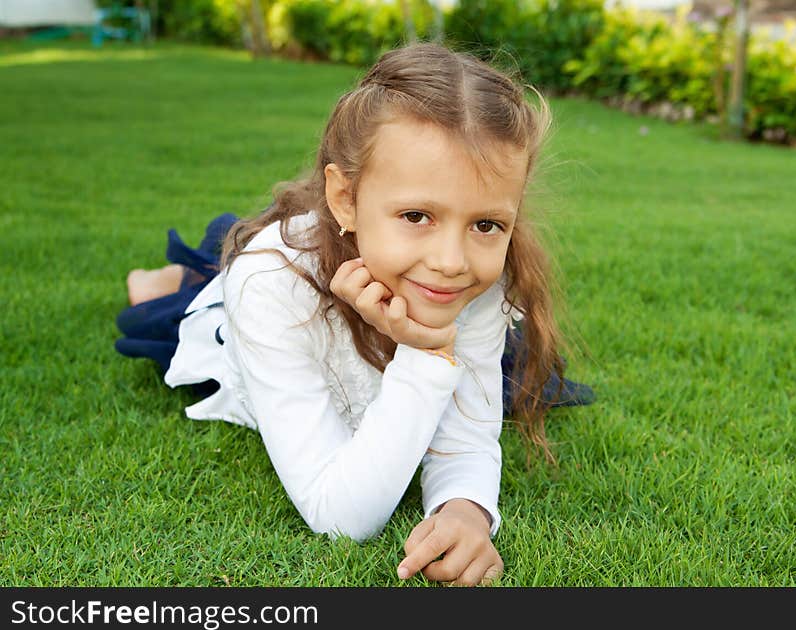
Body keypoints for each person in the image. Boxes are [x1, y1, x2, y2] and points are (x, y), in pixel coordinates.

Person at [115, 42, 595, 587]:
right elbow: (341, 516)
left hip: (356, 264)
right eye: (417, 215)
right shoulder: (273, 287)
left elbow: (465, 432)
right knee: (190, 307)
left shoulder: (476, 283)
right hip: (264, 305)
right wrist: (428, 351)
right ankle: (180, 281)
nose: (451, 262)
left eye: (486, 224)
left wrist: (465, 509)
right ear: (345, 198)